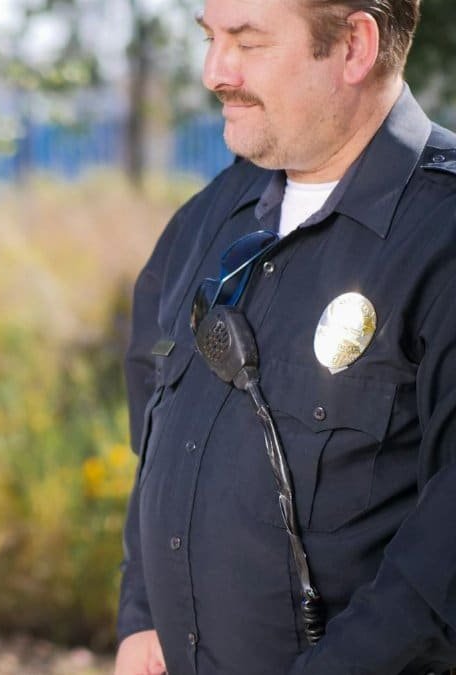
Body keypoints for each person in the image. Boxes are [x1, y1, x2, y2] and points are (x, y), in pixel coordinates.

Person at [116, 1, 456, 673]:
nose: (215, 72)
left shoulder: (441, 237)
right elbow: (156, 434)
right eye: (212, 40)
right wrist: (142, 614)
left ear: (355, 46)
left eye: (247, 43)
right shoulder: (207, 218)